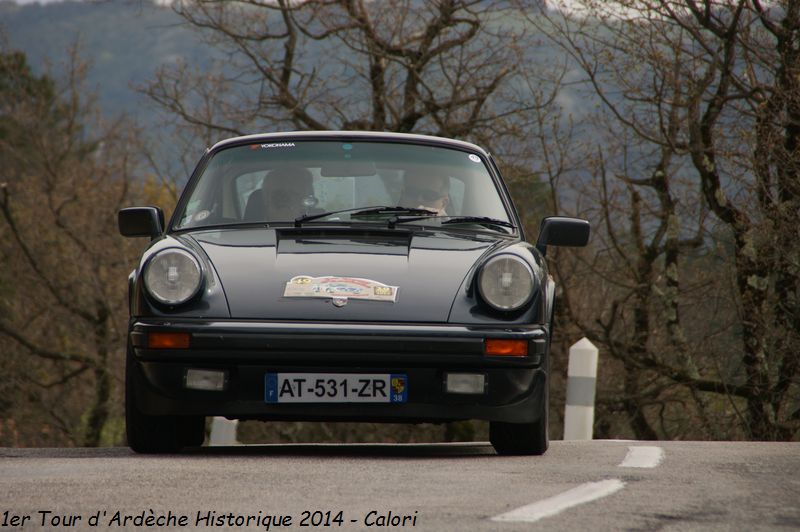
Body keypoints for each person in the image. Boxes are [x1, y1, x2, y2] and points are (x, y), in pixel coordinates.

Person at [244, 166, 315, 221]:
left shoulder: (320, 228)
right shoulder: (244, 235)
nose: (285, 200)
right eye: (279, 194)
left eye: (293, 194)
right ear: (265, 198)